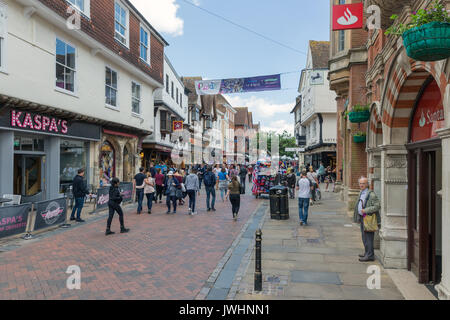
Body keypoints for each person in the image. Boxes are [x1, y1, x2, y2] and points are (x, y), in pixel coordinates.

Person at [354, 177, 381, 262]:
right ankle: (367, 252)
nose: (361, 185)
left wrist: (365, 210)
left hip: (368, 219)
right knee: (364, 237)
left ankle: (370, 255)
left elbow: (377, 206)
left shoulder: (371, 194)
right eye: (360, 183)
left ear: (367, 184)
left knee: (368, 237)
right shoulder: (361, 192)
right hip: (362, 217)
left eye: (363, 183)